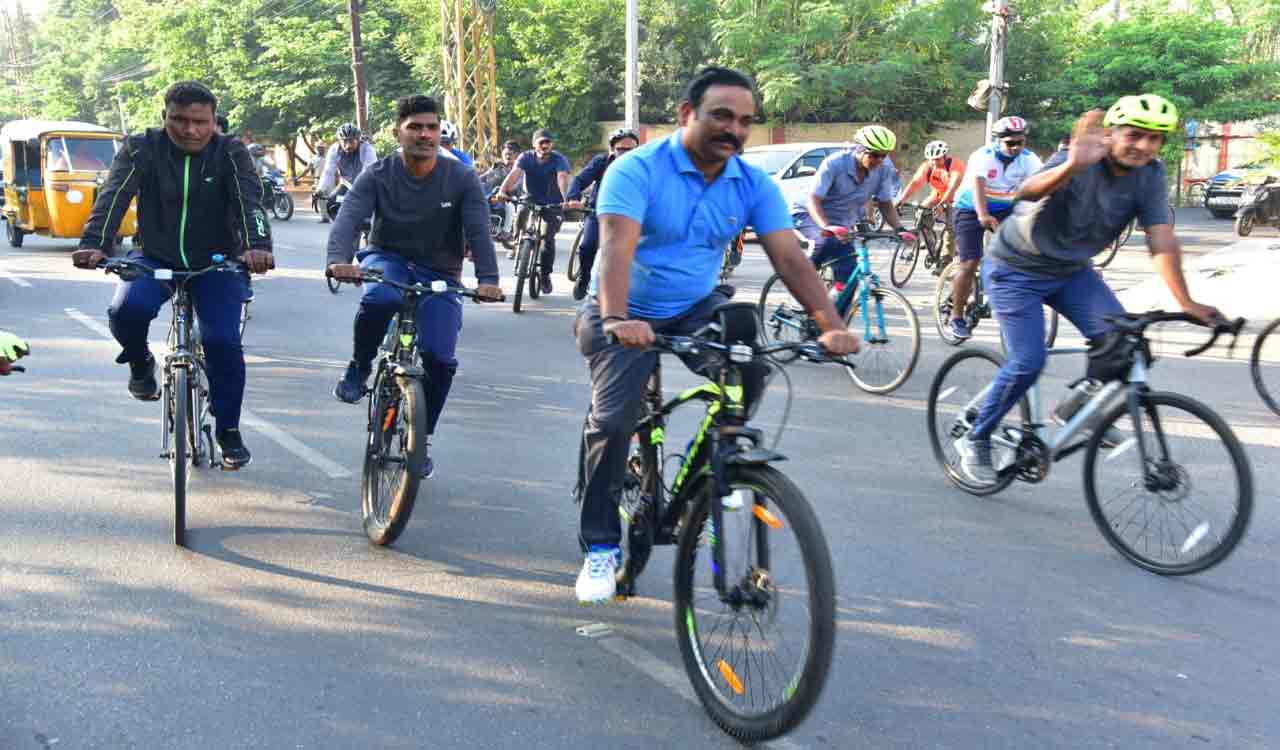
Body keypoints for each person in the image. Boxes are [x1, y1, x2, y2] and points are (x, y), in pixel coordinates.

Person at [572, 67, 860, 605]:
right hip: (622, 309)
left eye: (745, 121)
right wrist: (616, 319)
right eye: (722, 116)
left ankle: (716, 470)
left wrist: (831, 324)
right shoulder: (638, 169)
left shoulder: (751, 183)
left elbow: (791, 259)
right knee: (612, 423)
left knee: (749, 357)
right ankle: (601, 548)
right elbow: (616, 249)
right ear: (688, 114)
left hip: (693, 306)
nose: (734, 129)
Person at [956, 95, 1224, 484]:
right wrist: (1071, 165)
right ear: (1112, 133)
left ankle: (1073, 412)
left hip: (1072, 271)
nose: (1144, 147)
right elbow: (1026, 192)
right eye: (1135, 135)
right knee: (1028, 361)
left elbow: (1161, 238)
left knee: (1126, 346)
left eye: (1155, 140)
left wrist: (1186, 302)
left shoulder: (1150, 174)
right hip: (1016, 270)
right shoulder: (1077, 158)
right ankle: (977, 435)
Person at [71, 80, 274, 469]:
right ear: (165, 117)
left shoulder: (230, 152)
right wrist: (95, 241)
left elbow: (250, 202)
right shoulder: (141, 147)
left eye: (201, 122)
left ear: (215, 122)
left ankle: (229, 430)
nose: (190, 130)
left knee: (222, 342)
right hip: (155, 257)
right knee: (125, 311)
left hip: (217, 264)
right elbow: (114, 194)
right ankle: (139, 361)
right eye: (179, 120)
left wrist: (258, 247)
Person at [326, 94, 504, 479]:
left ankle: (421, 437)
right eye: (415, 127)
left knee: (440, 357)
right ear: (398, 132)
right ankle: (359, 366)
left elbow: (478, 227)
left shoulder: (461, 177)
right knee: (380, 297)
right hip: (386, 258)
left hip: (440, 271)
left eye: (432, 128)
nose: (425, 135)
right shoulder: (377, 174)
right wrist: (339, 260)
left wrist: (488, 280)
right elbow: (349, 218)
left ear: (439, 132)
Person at [948, 116, 1042, 340]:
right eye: (1010, 143)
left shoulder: (1029, 160)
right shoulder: (982, 156)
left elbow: (1039, 189)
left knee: (1019, 255)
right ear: (998, 141)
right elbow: (978, 187)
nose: (1016, 147)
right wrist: (983, 215)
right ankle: (956, 316)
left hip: (1005, 208)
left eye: (1020, 142)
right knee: (970, 262)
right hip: (970, 208)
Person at [792, 125, 915, 287]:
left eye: (883, 156)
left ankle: (834, 311)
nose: (879, 160)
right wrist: (827, 226)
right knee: (824, 242)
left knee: (849, 279)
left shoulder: (883, 170)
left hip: (842, 224)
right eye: (875, 155)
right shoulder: (835, 163)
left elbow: (885, 203)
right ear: (860, 149)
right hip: (808, 213)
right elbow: (813, 199)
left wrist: (900, 229)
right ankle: (799, 291)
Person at [563, 127, 640, 300]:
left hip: (630, 216)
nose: (627, 153)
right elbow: (580, 180)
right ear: (612, 150)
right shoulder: (601, 162)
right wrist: (574, 197)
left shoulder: (643, 166)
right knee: (588, 245)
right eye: (622, 149)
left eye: (632, 149)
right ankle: (584, 277)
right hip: (598, 212)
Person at [496, 128, 571, 294]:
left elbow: (562, 178)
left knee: (547, 239)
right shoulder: (525, 157)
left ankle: (545, 275)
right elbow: (515, 175)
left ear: (552, 144)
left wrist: (565, 199)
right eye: (541, 142)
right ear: (534, 144)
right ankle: (517, 241)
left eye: (548, 142)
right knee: (521, 211)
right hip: (530, 197)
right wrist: (503, 191)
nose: (545, 145)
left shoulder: (559, 160)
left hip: (553, 202)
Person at [895, 139, 965, 266]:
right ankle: (931, 246)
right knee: (921, 213)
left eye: (938, 159)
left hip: (957, 198)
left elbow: (952, 187)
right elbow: (915, 184)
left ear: (945, 156)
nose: (934, 162)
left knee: (951, 228)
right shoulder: (928, 166)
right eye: (931, 159)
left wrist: (942, 205)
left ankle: (945, 260)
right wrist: (901, 200)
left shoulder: (956, 165)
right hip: (937, 196)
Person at [316, 123, 377, 223]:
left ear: (358, 139)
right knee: (332, 204)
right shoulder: (334, 150)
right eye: (344, 141)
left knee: (371, 216)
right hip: (346, 184)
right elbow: (328, 172)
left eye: (351, 141)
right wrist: (320, 189)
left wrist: (359, 191)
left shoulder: (367, 149)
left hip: (366, 185)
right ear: (339, 141)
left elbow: (368, 172)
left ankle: (368, 234)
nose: (347, 145)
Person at [480, 140, 521, 243]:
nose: (508, 157)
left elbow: (521, 185)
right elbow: (483, 177)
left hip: (511, 198)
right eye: (506, 154)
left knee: (510, 206)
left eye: (510, 154)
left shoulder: (520, 169)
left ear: (517, 155)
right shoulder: (497, 166)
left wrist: (510, 193)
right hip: (492, 196)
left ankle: (506, 232)